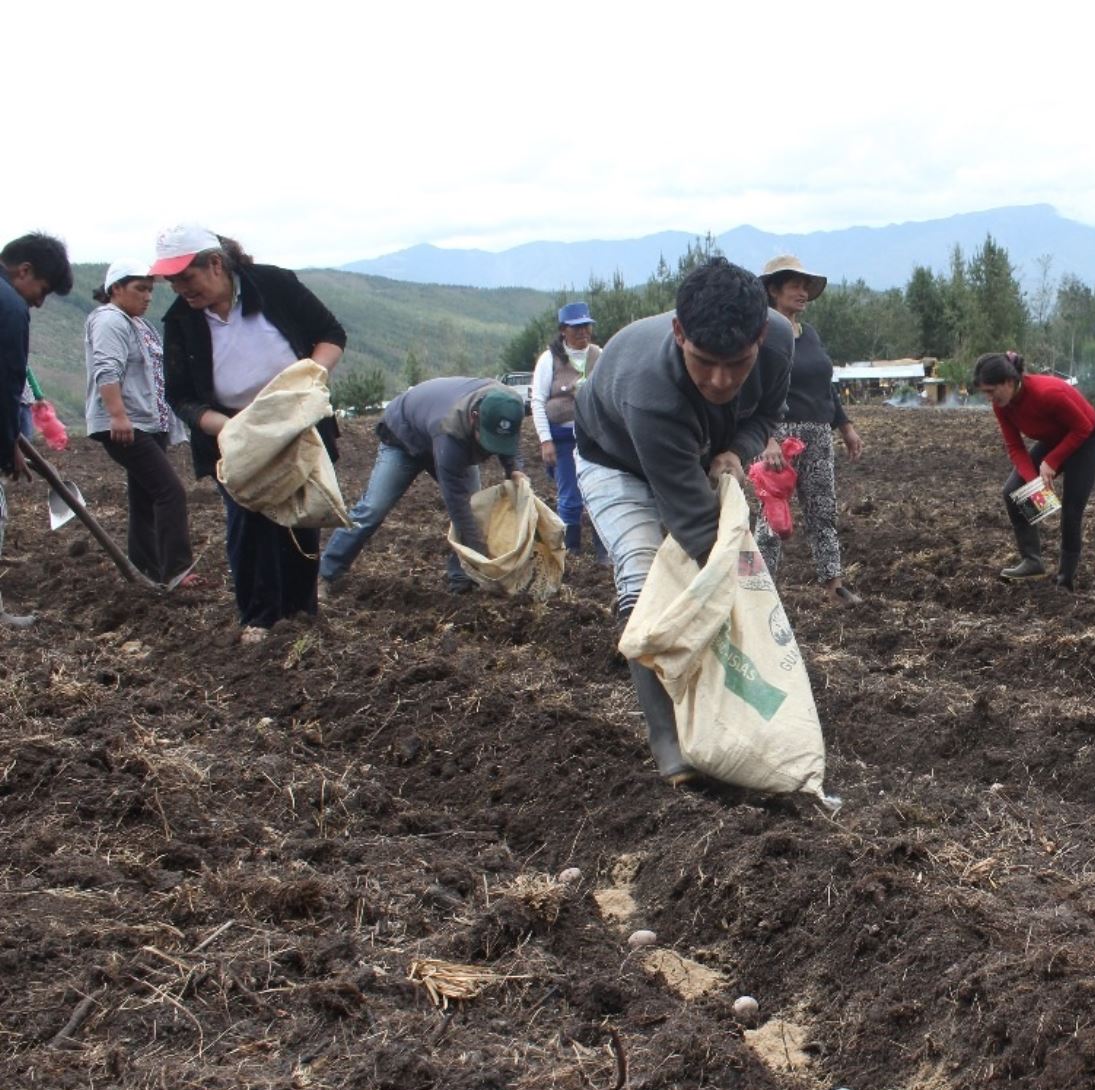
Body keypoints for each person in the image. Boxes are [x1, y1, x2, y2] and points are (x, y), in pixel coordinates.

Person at [572, 257, 793, 785]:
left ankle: (728, 709)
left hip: (694, 447)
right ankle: (668, 736)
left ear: (760, 336)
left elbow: (764, 413)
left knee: (722, 575)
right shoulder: (648, 389)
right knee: (648, 575)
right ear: (679, 333)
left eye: (736, 364)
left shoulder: (780, 340)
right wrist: (746, 600)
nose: (720, 381)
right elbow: (697, 529)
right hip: (615, 457)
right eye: (703, 362)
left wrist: (735, 451)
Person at [154, 225, 346, 643]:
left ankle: (300, 615)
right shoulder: (181, 321)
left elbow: (330, 334)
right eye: (172, 282)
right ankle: (258, 620)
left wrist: (309, 381)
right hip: (233, 434)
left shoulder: (274, 286)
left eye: (187, 278)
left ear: (216, 264)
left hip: (297, 424)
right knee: (249, 521)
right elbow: (180, 395)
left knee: (300, 516)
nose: (181, 290)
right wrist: (229, 427)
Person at [319, 378, 526, 593]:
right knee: (373, 508)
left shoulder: (508, 406)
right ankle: (326, 573)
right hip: (403, 437)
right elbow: (457, 504)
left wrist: (515, 468)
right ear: (475, 418)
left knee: (476, 510)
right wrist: (479, 553)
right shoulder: (450, 429)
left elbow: (509, 439)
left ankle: (463, 581)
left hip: (437, 432)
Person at [753, 255, 864, 606]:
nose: (802, 292)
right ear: (773, 290)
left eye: (805, 287)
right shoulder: (763, 336)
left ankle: (834, 585)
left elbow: (824, 386)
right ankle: (759, 592)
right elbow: (753, 389)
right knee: (771, 516)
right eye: (794, 286)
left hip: (817, 435)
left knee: (822, 511)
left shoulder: (809, 334)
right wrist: (767, 437)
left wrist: (844, 425)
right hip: (779, 437)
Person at [83, 260, 200, 590]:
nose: (147, 296)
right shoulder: (109, 320)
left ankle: (144, 572)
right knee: (170, 492)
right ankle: (177, 571)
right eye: (140, 289)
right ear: (116, 289)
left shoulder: (137, 323)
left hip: (148, 422)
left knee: (146, 497)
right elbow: (107, 369)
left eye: (150, 289)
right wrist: (118, 415)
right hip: (125, 422)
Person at [973, 351, 1095, 590]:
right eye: (985, 393)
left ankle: (1066, 578)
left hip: (1084, 439)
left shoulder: (1048, 393)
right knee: (1013, 491)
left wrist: (1051, 461)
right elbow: (1015, 446)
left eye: (991, 391)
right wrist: (1035, 484)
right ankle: (1032, 561)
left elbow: (1082, 428)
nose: (989, 398)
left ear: (1009, 382)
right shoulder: (1002, 406)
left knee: (1072, 512)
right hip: (1055, 438)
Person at [0, 233, 74, 628]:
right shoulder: (9, 305)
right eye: (41, 290)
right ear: (24, 270)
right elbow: (7, 381)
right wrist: (8, 442)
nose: (38, 302)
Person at [529, 302, 608, 566]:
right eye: (576, 328)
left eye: (586, 326)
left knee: (598, 490)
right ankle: (572, 550)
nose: (583, 332)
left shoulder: (600, 355)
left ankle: (603, 548)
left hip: (595, 437)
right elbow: (538, 401)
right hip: (562, 437)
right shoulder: (549, 359)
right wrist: (545, 440)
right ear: (564, 330)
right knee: (570, 495)